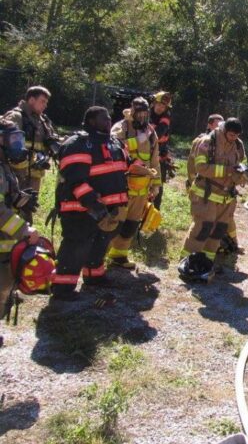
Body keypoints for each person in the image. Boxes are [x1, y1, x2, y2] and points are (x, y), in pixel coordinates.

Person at [50, 106, 129, 301]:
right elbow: (75, 180)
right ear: (92, 121)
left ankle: (94, 276)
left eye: (109, 119)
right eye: (104, 119)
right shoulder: (78, 144)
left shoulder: (113, 142)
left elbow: (121, 169)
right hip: (80, 209)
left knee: (99, 242)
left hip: (106, 209)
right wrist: (95, 205)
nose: (109, 122)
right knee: (76, 246)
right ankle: (62, 288)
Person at [179, 118, 248, 281]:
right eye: (231, 135)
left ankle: (207, 262)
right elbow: (201, 167)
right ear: (224, 130)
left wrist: (242, 174)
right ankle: (187, 262)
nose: (233, 138)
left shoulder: (238, 144)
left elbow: (243, 163)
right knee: (202, 228)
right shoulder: (207, 142)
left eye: (236, 135)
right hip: (205, 194)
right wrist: (228, 170)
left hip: (226, 197)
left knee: (218, 230)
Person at [105, 98, 160, 270]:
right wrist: (138, 140)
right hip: (123, 185)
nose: (142, 117)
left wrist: (156, 184)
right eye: (139, 113)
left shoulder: (151, 132)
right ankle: (97, 257)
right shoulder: (121, 127)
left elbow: (155, 160)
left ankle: (119, 255)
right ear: (133, 111)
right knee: (114, 222)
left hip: (142, 188)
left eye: (145, 113)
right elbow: (113, 146)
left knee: (131, 224)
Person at [0, 120, 41, 345]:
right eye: (12, 139)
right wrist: (24, 230)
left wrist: (18, 198)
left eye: (19, 139)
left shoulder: (4, 164)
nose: (17, 145)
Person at [3, 85, 60, 202]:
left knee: (30, 206)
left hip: (35, 175)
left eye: (46, 102)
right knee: (13, 206)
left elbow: (50, 141)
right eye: (42, 101)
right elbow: (4, 144)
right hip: (17, 174)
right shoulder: (16, 117)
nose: (45, 105)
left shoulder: (42, 120)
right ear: (32, 100)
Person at [186, 114, 224, 190]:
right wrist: (192, 181)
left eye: (222, 125)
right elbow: (191, 164)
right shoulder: (200, 141)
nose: (220, 128)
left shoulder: (225, 143)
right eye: (217, 125)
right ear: (209, 125)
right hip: (200, 183)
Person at [149, 91, 173, 210]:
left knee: (158, 185)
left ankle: (155, 211)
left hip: (159, 158)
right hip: (144, 156)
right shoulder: (146, 114)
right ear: (154, 103)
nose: (160, 108)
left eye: (163, 106)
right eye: (159, 104)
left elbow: (158, 134)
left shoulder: (165, 118)